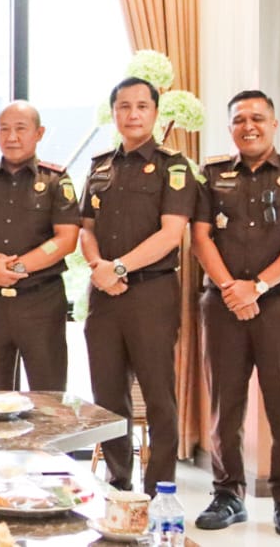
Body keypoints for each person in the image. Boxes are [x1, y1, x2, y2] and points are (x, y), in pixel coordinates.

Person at [191, 90, 280, 538]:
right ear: (230, 127)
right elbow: (200, 238)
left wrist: (257, 286)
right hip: (222, 303)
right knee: (224, 404)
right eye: (239, 119)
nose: (249, 126)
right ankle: (228, 495)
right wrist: (232, 289)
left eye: (258, 118)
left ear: (274, 124)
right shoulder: (211, 175)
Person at [80, 76, 196, 497]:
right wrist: (98, 267)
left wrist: (119, 267)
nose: (132, 114)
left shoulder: (173, 166)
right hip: (104, 296)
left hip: (151, 293)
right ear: (114, 113)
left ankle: (157, 491)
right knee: (108, 397)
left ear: (155, 113)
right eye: (124, 107)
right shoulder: (100, 166)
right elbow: (86, 229)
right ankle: (118, 483)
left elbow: (171, 234)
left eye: (142, 106)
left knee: (158, 396)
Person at [0, 100, 80, 391]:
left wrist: (17, 268)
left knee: (48, 396)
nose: (11, 137)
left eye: (20, 129)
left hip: (41, 300)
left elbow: (65, 239)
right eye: (4, 129)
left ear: (39, 133)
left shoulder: (55, 180)